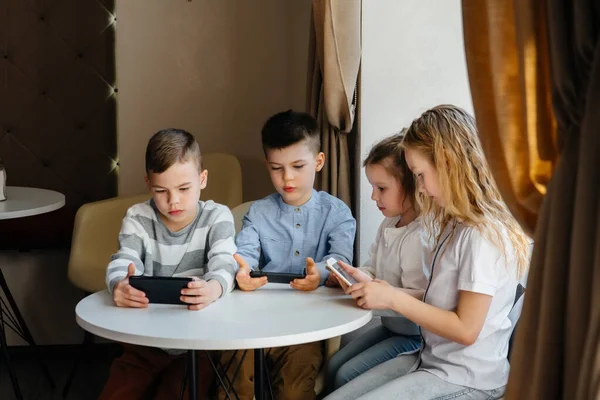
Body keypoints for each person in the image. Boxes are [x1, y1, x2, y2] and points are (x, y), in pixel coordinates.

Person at [325, 105, 531, 400]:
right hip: (432, 361)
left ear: (448, 163)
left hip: (468, 379)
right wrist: (385, 290)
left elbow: (466, 329)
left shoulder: (481, 236)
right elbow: (445, 301)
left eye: (420, 175)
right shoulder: (455, 224)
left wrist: (394, 298)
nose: (419, 187)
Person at [218, 110, 356, 400]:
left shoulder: (337, 213)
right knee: (232, 380)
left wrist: (321, 272)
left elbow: (341, 261)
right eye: (276, 168)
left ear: (319, 161)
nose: (287, 178)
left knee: (294, 391)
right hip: (254, 321)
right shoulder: (257, 212)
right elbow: (244, 254)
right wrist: (240, 271)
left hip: (305, 328)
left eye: (297, 166)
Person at [99, 128, 237, 400]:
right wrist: (120, 284)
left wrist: (213, 288)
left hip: (198, 343)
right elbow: (124, 258)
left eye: (184, 189)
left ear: (203, 179)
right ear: (148, 184)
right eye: (161, 190)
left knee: (176, 393)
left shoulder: (217, 216)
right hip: (146, 341)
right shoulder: (138, 217)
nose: (173, 201)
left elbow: (225, 262)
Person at [324, 132, 428, 394]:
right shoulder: (390, 223)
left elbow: (422, 300)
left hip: (414, 336)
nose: (373, 197)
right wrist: (352, 275)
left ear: (412, 184)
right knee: (334, 364)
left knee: (345, 375)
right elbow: (374, 267)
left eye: (381, 188)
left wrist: (372, 290)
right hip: (391, 327)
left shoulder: (420, 236)